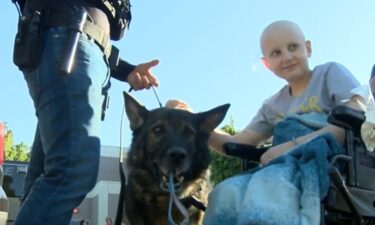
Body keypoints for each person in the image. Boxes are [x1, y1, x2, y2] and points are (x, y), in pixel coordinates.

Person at [11, 0, 159, 224]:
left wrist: (128, 72)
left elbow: (95, 29)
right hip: (68, 42)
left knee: (48, 175)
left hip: (82, 48)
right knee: (73, 169)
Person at [167, 20, 364, 165]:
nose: (286, 57)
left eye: (293, 47)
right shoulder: (272, 106)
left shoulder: (330, 74)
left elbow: (354, 121)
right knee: (226, 194)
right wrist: (194, 121)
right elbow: (237, 143)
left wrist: (289, 147)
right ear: (266, 63)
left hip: (331, 164)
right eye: (276, 53)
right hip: (284, 168)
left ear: (308, 48)